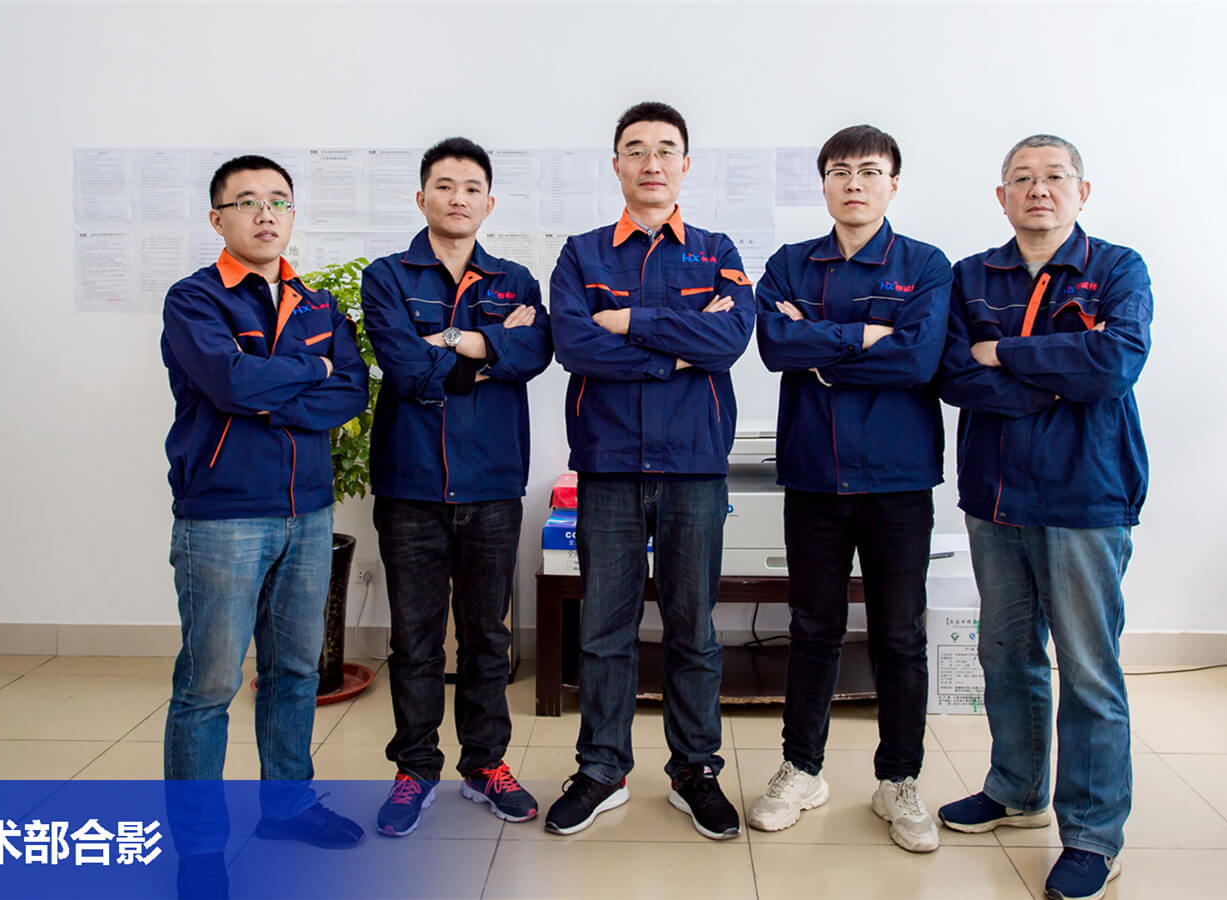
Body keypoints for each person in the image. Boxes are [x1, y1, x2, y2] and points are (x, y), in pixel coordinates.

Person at [935, 134, 1152, 900]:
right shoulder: (971, 277)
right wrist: (1060, 369)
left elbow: (1114, 364)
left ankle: (1092, 835)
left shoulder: (1117, 269)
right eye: (1022, 179)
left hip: (1085, 496)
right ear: (1002, 197)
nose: (1039, 189)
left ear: (1081, 192)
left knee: (1088, 670)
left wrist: (1006, 354)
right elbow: (953, 373)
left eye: (1055, 177)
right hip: (995, 496)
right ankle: (1016, 788)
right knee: (1006, 653)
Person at [543, 101, 755, 840]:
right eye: (636, 150)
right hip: (608, 466)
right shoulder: (582, 255)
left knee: (694, 628)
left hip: (694, 466)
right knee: (605, 627)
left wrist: (632, 322)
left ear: (685, 165)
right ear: (617, 165)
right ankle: (602, 769)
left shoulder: (717, 249)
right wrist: (678, 353)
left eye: (666, 150)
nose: (651, 163)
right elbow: (575, 345)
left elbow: (729, 341)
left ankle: (695, 771)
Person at [160, 154, 369, 893]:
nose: (265, 213)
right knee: (208, 686)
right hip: (223, 515)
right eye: (247, 201)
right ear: (217, 218)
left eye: (278, 200)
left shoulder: (317, 305)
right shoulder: (195, 300)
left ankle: (286, 806)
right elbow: (227, 381)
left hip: (307, 512)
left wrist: (268, 394)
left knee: (294, 672)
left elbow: (349, 392)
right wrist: (308, 374)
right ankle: (198, 850)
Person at [747, 124, 953, 853]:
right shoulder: (789, 264)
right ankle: (802, 769)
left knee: (899, 633)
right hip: (814, 473)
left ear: (893, 183)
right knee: (813, 628)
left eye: (869, 171)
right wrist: (867, 335)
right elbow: (774, 346)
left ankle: (899, 779)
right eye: (839, 171)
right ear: (824, 184)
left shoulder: (926, 265)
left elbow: (919, 360)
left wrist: (821, 342)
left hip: (899, 478)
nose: (854, 183)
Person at [359, 137, 551, 837]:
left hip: (492, 483)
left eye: (472, 188)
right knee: (414, 640)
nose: (458, 198)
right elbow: (405, 370)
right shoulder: (386, 276)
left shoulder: (516, 280)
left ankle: (485, 763)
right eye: (444, 186)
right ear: (422, 198)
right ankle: (415, 769)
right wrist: (491, 346)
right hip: (410, 484)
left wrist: (449, 340)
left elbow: (536, 352)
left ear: (489, 203)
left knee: (486, 637)